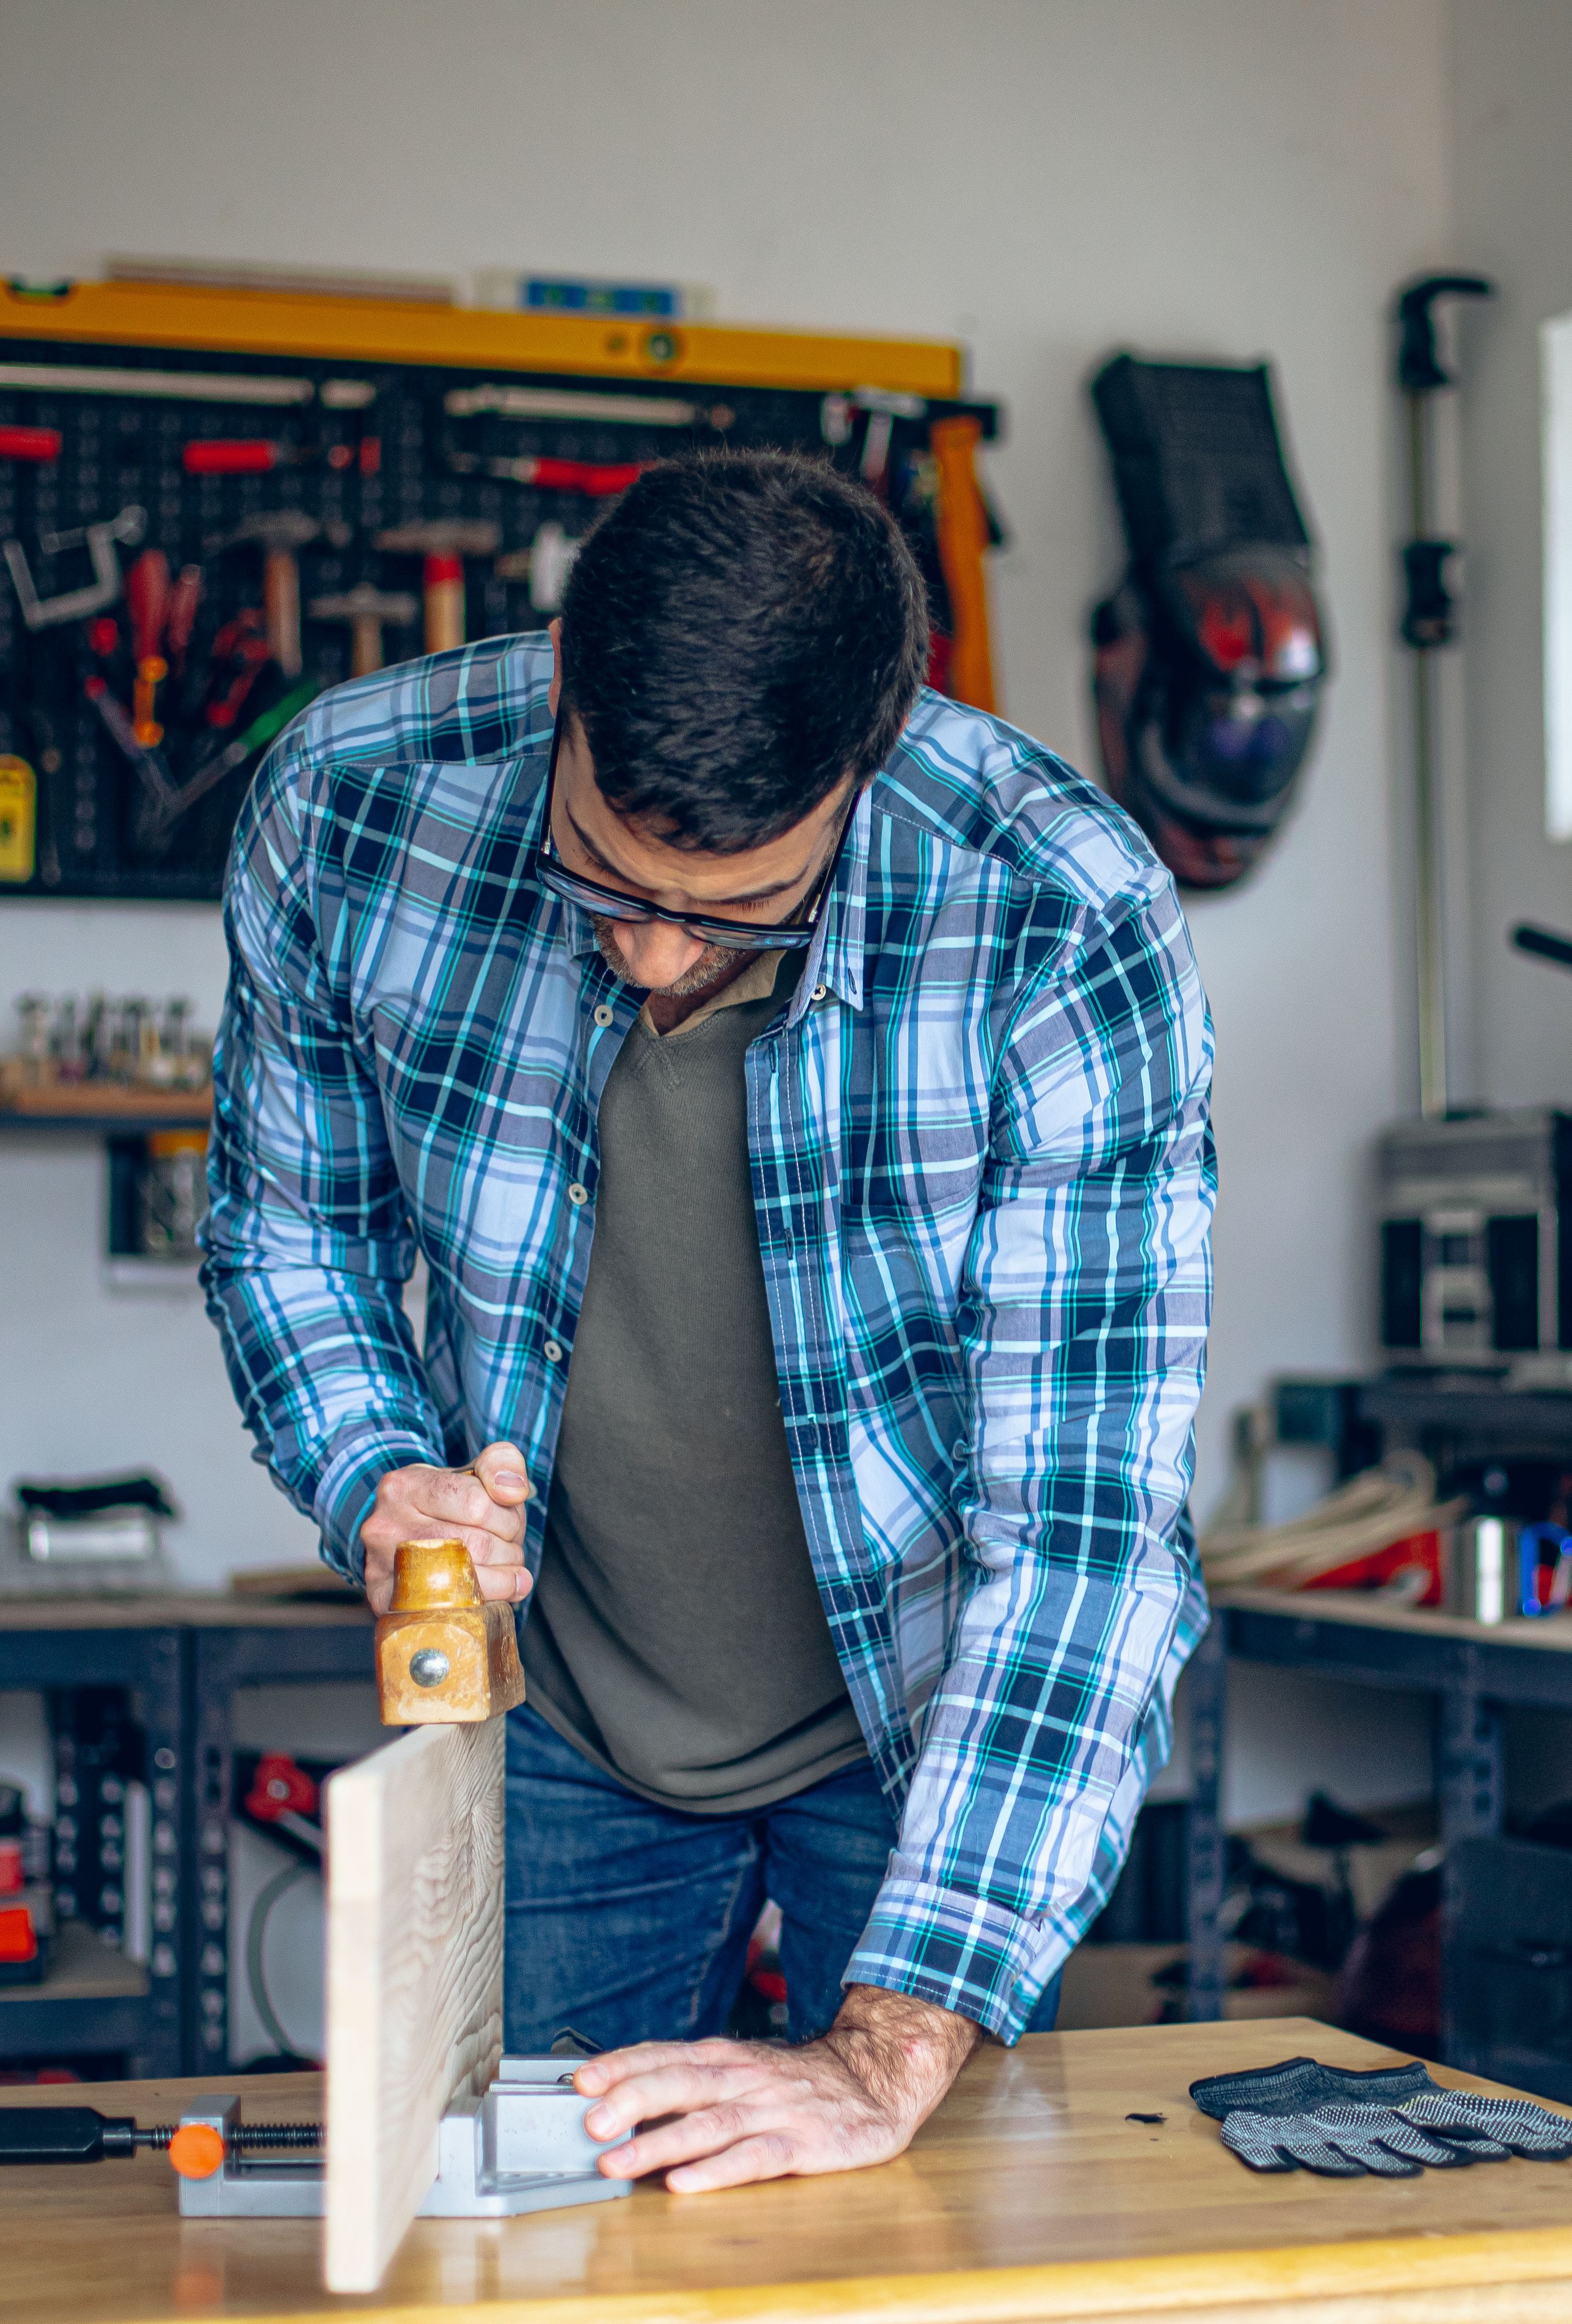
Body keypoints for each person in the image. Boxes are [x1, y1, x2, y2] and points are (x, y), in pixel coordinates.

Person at [203, 449, 1215, 2193]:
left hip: (928, 1727)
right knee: (524, 2249)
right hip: (571, 1716)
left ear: (868, 759)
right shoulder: (356, 801)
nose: (656, 962)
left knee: (916, 2249)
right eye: (606, 881)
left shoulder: (1063, 913)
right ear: (563, 689)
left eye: (733, 911)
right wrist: (376, 1469)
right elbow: (293, 1229)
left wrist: (882, 2052)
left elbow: (1083, 1536)